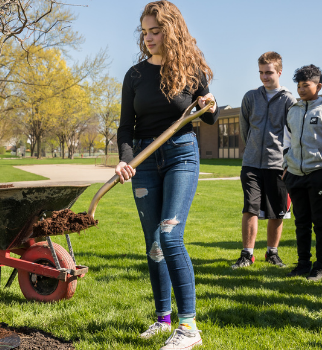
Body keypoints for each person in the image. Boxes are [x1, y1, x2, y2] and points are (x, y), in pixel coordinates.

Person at [120, 1, 214, 348]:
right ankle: (163, 319)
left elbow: (206, 118)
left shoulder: (191, 70)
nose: (149, 38)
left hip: (181, 155)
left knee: (170, 235)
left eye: (156, 31)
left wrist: (209, 105)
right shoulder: (134, 75)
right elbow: (124, 127)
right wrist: (124, 159)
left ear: (172, 30)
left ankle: (188, 327)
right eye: (145, 32)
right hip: (144, 160)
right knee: (154, 246)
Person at [232, 51, 293, 269]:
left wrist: (287, 161)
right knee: (250, 208)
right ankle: (247, 255)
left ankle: (272, 253)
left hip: (278, 165)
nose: (264, 77)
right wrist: (252, 149)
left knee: (277, 211)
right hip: (251, 164)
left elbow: (291, 133)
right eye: (261, 73)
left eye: (268, 73)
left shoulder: (289, 100)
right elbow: (244, 129)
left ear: (279, 72)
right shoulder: (250, 97)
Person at [283, 64, 322, 281]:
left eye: (305, 85)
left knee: (321, 222)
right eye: (298, 86)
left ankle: (321, 265)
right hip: (295, 175)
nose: (300, 90)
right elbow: (286, 140)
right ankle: (302, 264)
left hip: (319, 175)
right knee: (301, 222)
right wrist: (287, 166)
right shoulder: (293, 110)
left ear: (319, 86)